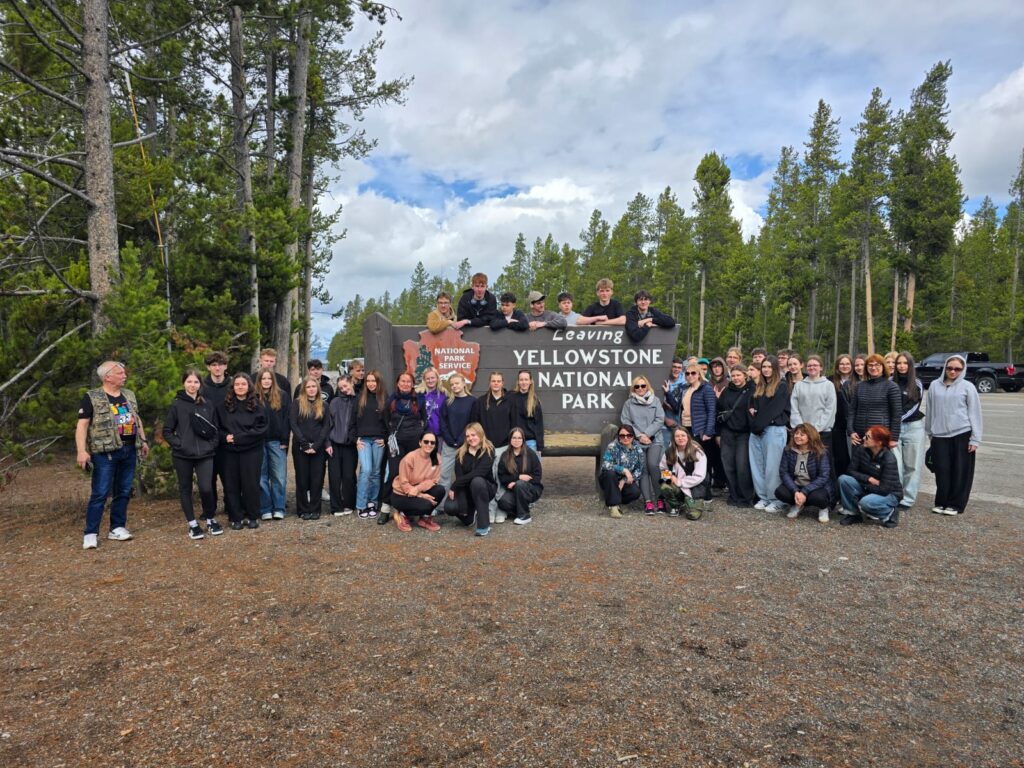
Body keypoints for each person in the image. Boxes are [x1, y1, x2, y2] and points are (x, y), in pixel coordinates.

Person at [76, 361, 151, 549]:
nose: (124, 375)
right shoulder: (92, 397)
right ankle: (91, 533)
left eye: (124, 372)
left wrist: (143, 440)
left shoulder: (129, 395)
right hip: (105, 453)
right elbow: (82, 425)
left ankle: (117, 527)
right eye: (120, 373)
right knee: (100, 493)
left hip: (129, 450)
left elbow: (136, 418)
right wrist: (81, 451)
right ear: (107, 377)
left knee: (124, 491)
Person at [163, 368, 221, 539]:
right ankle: (193, 524)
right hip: (183, 455)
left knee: (206, 487)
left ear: (200, 384)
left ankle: (210, 519)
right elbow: (167, 431)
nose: (192, 385)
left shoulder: (207, 404)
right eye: (189, 381)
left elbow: (215, 428)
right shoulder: (176, 404)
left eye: (196, 382)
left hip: (205, 454)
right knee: (185, 489)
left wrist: (212, 445)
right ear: (184, 383)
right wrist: (179, 445)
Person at [925, 354, 983, 516]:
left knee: (960, 470)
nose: (953, 371)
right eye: (950, 368)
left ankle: (956, 504)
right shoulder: (935, 386)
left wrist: (975, 438)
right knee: (942, 470)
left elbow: (975, 413)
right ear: (945, 368)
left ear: (963, 370)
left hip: (962, 433)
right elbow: (930, 410)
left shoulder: (968, 387)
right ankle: (941, 501)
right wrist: (929, 431)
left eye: (957, 369)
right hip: (939, 435)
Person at [215, 373, 268, 530]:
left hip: (251, 451)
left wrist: (238, 438)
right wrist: (225, 438)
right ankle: (235, 517)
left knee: (250, 484)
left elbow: (261, 429)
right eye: (237, 384)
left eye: (243, 384)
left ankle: (252, 515)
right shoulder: (222, 407)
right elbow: (216, 429)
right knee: (231, 485)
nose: (240, 387)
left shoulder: (258, 406)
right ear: (233, 387)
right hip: (229, 452)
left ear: (249, 386)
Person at [379, 372, 425, 522]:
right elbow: (385, 420)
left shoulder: (419, 400)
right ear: (398, 383)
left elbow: (424, 420)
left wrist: (419, 434)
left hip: (413, 442)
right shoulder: (391, 400)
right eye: (402, 381)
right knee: (393, 473)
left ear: (412, 384)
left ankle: (407, 509)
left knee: (412, 475)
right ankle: (385, 507)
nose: (405, 384)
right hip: (396, 443)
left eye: (408, 381)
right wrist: (392, 434)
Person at [666, 362, 718, 491]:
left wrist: (708, 432)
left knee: (702, 462)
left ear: (699, 374)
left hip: (700, 430)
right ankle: (691, 490)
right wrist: (668, 393)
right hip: (686, 428)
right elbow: (678, 407)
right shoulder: (685, 389)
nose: (690, 376)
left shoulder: (706, 389)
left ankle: (705, 493)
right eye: (687, 373)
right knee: (688, 461)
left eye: (693, 373)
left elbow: (712, 411)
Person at [748, 355, 790, 512]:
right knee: (757, 466)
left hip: (773, 430)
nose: (766, 370)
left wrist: (757, 422)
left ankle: (777, 499)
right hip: (757, 431)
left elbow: (774, 410)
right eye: (764, 367)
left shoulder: (782, 386)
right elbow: (752, 406)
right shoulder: (759, 386)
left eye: (769, 367)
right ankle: (763, 497)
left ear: (775, 369)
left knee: (773, 467)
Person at [839, 425, 903, 527]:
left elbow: (884, 489)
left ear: (879, 442)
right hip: (871, 487)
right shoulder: (861, 450)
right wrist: (869, 479)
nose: (863, 438)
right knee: (844, 479)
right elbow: (850, 471)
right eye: (865, 436)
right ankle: (853, 514)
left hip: (890, 493)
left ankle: (890, 513)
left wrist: (864, 488)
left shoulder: (889, 459)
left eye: (867, 437)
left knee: (866, 503)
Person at [620, 374, 665, 514]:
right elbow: (626, 422)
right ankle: (648, 502)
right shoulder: (629, 403)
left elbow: (660, 419)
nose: (640, 388)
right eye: (637, 386)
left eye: (643, 386)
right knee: (644, 470)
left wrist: (648, 434)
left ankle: (660, 499)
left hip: (655, 439)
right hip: (638, 441)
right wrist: (640, 435)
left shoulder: (655, 400)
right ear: (634, 388)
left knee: (654, 466)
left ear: (647, 386)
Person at [444, 422, 497, 536]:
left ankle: (484, 526)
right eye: (468, 436)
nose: (470, 438)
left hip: (485, 488)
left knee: (477, 480)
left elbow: (480, 472)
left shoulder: (489, 450)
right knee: (450, 507)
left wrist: (454, 486)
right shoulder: (460, 453)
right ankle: (469, 516)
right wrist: (462, 502)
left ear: (480, 434)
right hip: (467, 490)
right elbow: (460, 477)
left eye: (473, 435)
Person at [776, 423, 833, 523]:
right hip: (797, 485)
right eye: (796, 434)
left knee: (819, 498)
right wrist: (795, 491)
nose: (797, 436)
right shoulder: (788, 450)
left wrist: (804, 492)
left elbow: (824, 477)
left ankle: (824, 508)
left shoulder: (821, 452)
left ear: (810, 436)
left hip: (814, 487)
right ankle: (798, 504)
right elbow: (783, 472)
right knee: (780, 492)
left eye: (802, 435)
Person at [391, 432, 444, 532]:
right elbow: (404, 484)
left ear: (436, 445)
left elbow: (434, 480)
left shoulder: (437, 458)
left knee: (440, 490)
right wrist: (422, 495)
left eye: (432, 442)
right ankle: (401, 514)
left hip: (417, 490)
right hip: (401, 494)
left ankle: (424, 519)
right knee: (426, 505)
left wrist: (418, 489)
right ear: (420, 443)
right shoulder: (409, 458)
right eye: (426, 441)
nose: (429, 444)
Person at [717, 364, 755, 507]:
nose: (736, 378)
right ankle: (733, 495)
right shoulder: (727, 391)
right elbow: (719, 411)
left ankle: (745, 497)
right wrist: (718, 434)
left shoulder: (752, 390)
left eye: (738, 375)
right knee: (728, 466)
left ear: (745, 375)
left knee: (742, 466)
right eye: (733, 376)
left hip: (744, 434)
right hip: (727, 432)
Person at [892, 352, 926, 511]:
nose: (901, 366)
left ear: (910, 365)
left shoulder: (917, 383)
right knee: (896, 465)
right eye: (899, 363)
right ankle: (897, 495)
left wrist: (896, 419)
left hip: (913, 428)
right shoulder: (891, 382)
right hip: (894, 430)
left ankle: (908, 499)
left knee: (912, 465)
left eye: (905, 363)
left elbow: (913, 407)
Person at [848, 354, 902, 451]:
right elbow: (852, 411)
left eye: (877, 365)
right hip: (859, 437)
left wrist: (893, 438)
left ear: (883, 367)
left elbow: (896, 415)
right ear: (866, 367)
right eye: (870, 365)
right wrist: (851, 431)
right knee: (858, 465)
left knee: (878, 465)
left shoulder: (891, 387)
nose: (873, 368)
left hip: (880, 438)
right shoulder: (859, 386)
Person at [256, 368, 289, 521]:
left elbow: (287, 419)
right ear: (259, 381)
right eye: (263, 378)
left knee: (279, 476)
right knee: (261, 477)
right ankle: (265, 508)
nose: (266, 381)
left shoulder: (282, 396)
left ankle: (279, 507)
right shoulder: (254, 397)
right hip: (258, 442)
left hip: (277, 441)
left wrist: (285, 440)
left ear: (273, 380)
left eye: (269, 378)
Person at [355, 370, 388, 518]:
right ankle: (361, 504)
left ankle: (372, 503)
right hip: (363, 440)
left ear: (378, 382)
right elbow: (352, 422)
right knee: (366, 470)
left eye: (373, 381)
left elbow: (389, 422)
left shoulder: (384, 399)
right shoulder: (360, 398)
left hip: (378, 440)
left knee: (375, 472)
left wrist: (386, 438)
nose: (371, 384)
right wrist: (355, 438)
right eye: (368, 381)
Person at [201, 351, 230, 516]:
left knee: (229, 476)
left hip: (227, 436)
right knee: (208, 477)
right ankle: (209, 509)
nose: (217, 368)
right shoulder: (202, 386)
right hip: (207, 437)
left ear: (225, 366)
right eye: (213, 365)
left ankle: (229, 504)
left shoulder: (232, 385)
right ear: (208, 367)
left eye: (220, 364)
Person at [658, 427, 708, 520]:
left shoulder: (697, 452)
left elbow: (699, 476)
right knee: (664, 484)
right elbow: (662, 468)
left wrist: (679, 481)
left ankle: (695, 502)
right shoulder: (669, 452)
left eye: (683, 435)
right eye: (677, 436)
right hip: (677, 484)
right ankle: (676, 505)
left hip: (693, 487)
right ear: (673, 438)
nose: (680, 438)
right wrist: (670, 476)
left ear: (688, 437)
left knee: (692, 516)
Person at [496, 427, 543, 524]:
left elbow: (537, 476)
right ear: (510, 439)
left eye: (519, 438)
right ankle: (521, 508)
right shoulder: (505, 456)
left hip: (532, 488)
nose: (516, 440)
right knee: (502, 502)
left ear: (523, 439)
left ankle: (524, 516)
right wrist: (517, 478)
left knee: (520, 484)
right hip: (514, 490)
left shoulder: (530, 454)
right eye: (514, 438)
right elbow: (502, 477)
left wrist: (518, 482)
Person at [790, 354, 837, 450]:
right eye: (809, 365)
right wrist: (802, 429)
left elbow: (830, 409)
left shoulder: (828, 385)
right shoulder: (799, 385)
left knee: (821, 463)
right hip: (802, 434)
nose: (812, 367)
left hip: (822, 432)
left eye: (815, 365)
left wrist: (815, 429)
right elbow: (794, 409)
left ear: (821, 368)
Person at [598, 424, 646, 518]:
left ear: (633, 436)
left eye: (629, 435)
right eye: (622, 435)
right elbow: (606, 464)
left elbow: (639, 470)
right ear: (618, 436)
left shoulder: (638, 450)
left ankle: (620, 503)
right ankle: (613, 506)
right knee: (610, 474)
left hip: (624, 480)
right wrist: (624, 470)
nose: (626, 438)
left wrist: (624, 480)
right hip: (609, 479)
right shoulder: (612, 446)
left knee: (635, 492)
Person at [439, 373, 476, 494]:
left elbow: (472, 423)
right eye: (452, 384)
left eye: (457, 383)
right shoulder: (447, 402)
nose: (454, 386)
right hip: (449, 445)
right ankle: (441, 506)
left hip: (467, 445)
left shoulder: (472, 401)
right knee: (444, 475)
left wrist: (462, 440)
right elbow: (443, 423)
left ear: (464, 383)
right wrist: (450, 440)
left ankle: (466, 505)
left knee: (466, 476)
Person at [327, 374, 358, 515]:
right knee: (334, 476)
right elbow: (327, 425)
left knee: (349, 476)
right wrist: (327, 443)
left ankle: (349, 504)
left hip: (350, 445)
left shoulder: (358, 401)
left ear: (352, 383)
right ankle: (336, 506)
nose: (344, 389)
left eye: (346, 386)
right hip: (334, 444)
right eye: (341, 387)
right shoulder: (335, 402)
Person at [470, 371, 515, 448]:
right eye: (493, 381)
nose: (496, 383)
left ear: (502, 383)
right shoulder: (480, 402)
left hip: (505, 446)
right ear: (489, 383)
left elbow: (514, 423)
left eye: (498, 381)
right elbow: (474, 424)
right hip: (485, 446)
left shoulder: (510, 401)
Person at [830, 354, 856, 476]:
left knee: (853, 458)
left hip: (853, 425)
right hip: (836, 426)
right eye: (842, 364)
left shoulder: (858, 382)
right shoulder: (830, 381)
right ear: (837, 366)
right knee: (839, 457)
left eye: (847, 364)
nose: (844, 366)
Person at [510, 370, 544, 454]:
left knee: (532, 467)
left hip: (530, 442)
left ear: (530, 381)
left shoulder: (534, 400)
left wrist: (539, 446)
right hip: (514, 441)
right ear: (518, 382)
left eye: (526, 379)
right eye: (521, 380)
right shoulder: (510, 397)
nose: (523, 382)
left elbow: (539, 424)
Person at [660, 357, 686, 446]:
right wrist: (664, 419)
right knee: (666, 449)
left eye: (679, 367)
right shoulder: (662, 380)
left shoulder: (685, 383)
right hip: (664, 419)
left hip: (681, 420)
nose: (676, 369)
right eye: (674, 367)